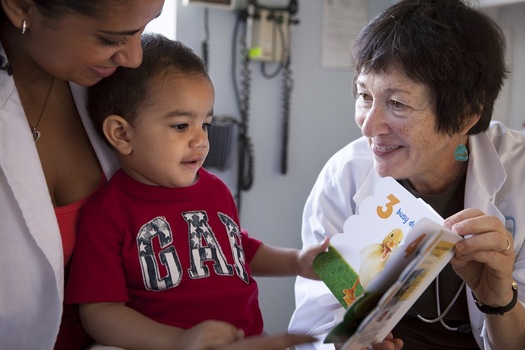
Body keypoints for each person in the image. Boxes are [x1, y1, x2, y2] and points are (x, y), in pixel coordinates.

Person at [0, 1, 319, 350]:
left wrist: (295, 261)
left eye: (206, 124)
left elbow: (235, 249)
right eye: (182, 125)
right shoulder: (109, 211)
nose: (201, 139)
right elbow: (101, 311)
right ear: (121, 135)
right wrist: (180, 341)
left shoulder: (213, 190)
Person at [288, 0, 525, 349]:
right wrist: (348, 344)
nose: (369, 127)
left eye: (397, 104)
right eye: (364, 95)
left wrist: (499, 300)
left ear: (464, 116)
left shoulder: (519, 176)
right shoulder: (345, 177)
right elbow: (322, 314)